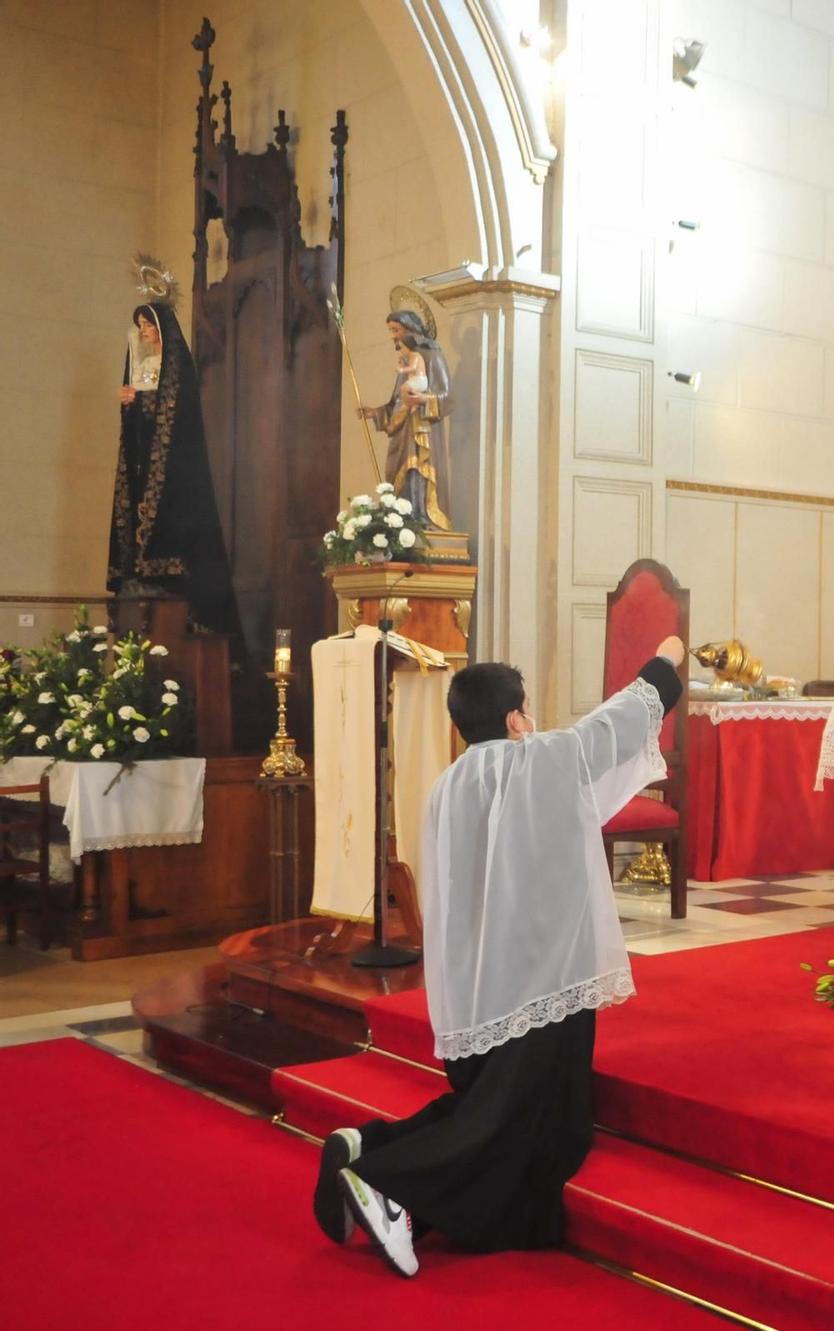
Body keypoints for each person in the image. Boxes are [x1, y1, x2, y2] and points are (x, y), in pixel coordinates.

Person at [315, 636, 687, 1278]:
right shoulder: (547, 759)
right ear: (517, 719)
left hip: (474, 984)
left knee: (488, 1104)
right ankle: (386, 1184)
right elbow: (623, 720)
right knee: (522, 1123)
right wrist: (666, 659)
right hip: (544, 977)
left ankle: (367, 1145)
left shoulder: (447, 787)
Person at [108, 301, 239, 636]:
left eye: (147, 325)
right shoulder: (140, 363)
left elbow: (178, 415)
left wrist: (145, 402)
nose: (143, 332)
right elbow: (138, 425)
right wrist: (129, 405)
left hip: (175, 467)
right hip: (145, 459)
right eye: (139, 326)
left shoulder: (178, 364)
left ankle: (163, 574)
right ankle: (135, 571)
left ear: (161, 327)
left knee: (166, 511)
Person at [357, 311, 453, 529]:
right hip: (402, 434)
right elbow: (396, 403)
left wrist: (421, 400)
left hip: (423, 430)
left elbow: (448, 398)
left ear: (411, 330)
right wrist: (376, 412)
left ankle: (422, 519)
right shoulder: (407, 362)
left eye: (396, 330)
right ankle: (403, 522)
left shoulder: (433, 357)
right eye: (391, 331)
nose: (393, 336)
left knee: (418, 472)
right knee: (399, 475)